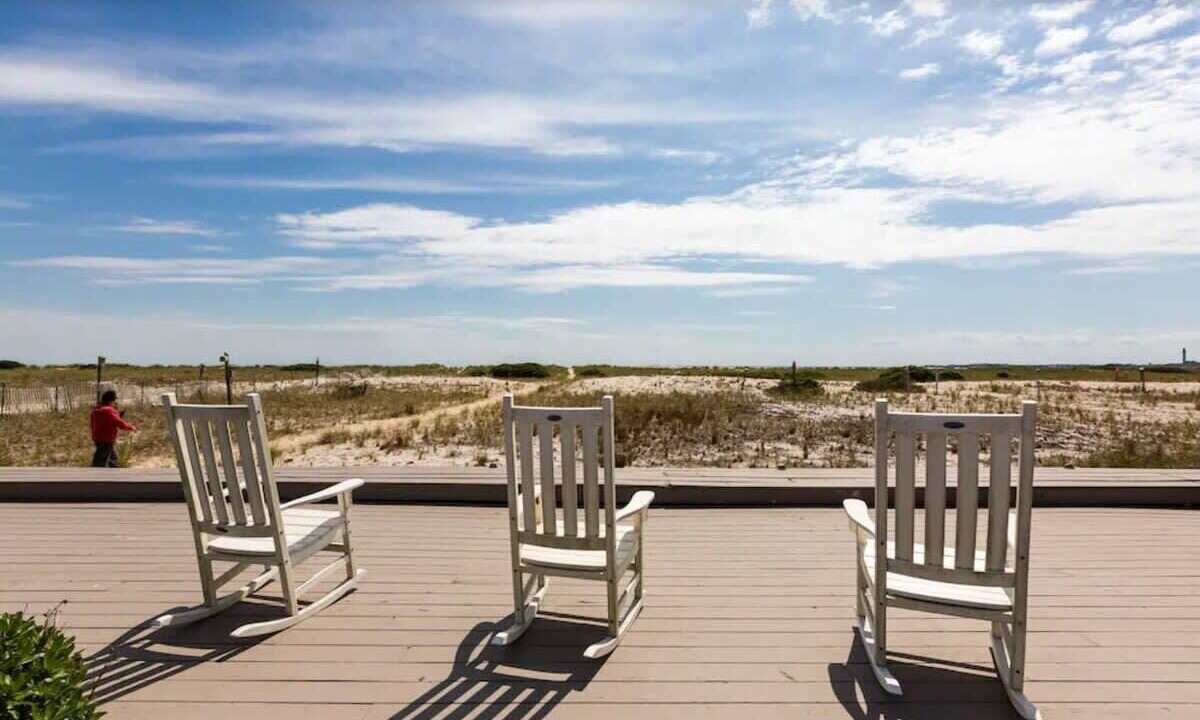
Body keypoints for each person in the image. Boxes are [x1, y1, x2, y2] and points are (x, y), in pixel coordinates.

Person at [91, 390, 137, 467]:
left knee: (113, 460)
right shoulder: (109, 410)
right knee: (100, 462)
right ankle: (96, 477)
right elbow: (119, 423)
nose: (114, 403)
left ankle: (112, 475)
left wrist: (117, 414)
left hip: (97, 438)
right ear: (110, 401)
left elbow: (100, 422)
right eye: (114, 401)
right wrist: (130, 427)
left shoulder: (96, 411)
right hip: (107, 439)